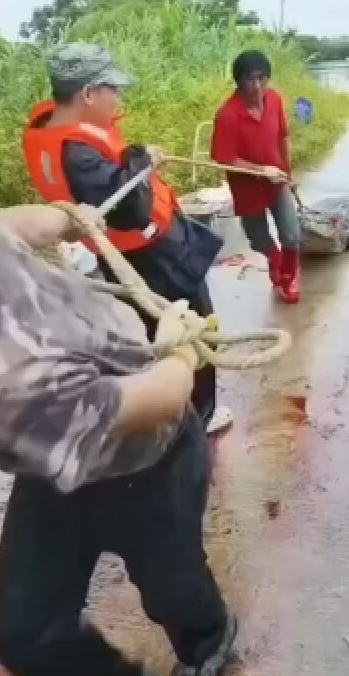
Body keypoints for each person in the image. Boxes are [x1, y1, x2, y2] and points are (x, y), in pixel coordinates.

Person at [0, 202, 238, 676]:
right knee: (24, 632)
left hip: (148, 452)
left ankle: (208, 643)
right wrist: (181, 354)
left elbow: (160, 399)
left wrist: (179, 354)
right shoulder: (12, 390)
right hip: (48, 457)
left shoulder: (9, 384)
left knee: (172, 586)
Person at [22, 42, 232, 436]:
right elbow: (130, 210)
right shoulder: (78, 154)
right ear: (88, 94)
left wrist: (139, 160)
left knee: (153, 331)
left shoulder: (50, 129)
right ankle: (197, 418)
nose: (119, 97)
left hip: (130, 252)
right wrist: (141, 159)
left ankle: (176, 410)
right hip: (151, 256)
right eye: (113, 89)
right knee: (193, 330)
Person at [210, 50, 304, 305]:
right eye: (250, 80)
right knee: (259, 239)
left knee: (292, 235)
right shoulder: (228, 115)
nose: (257, 86)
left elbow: (283, 136)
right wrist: (261, 171)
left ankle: (289, 276)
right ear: (238, 81)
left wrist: (287, 172)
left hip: (277, 180)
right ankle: (275, 263)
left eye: (262, 79)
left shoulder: (274, 100)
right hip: (247, 188)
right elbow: (225, 158)